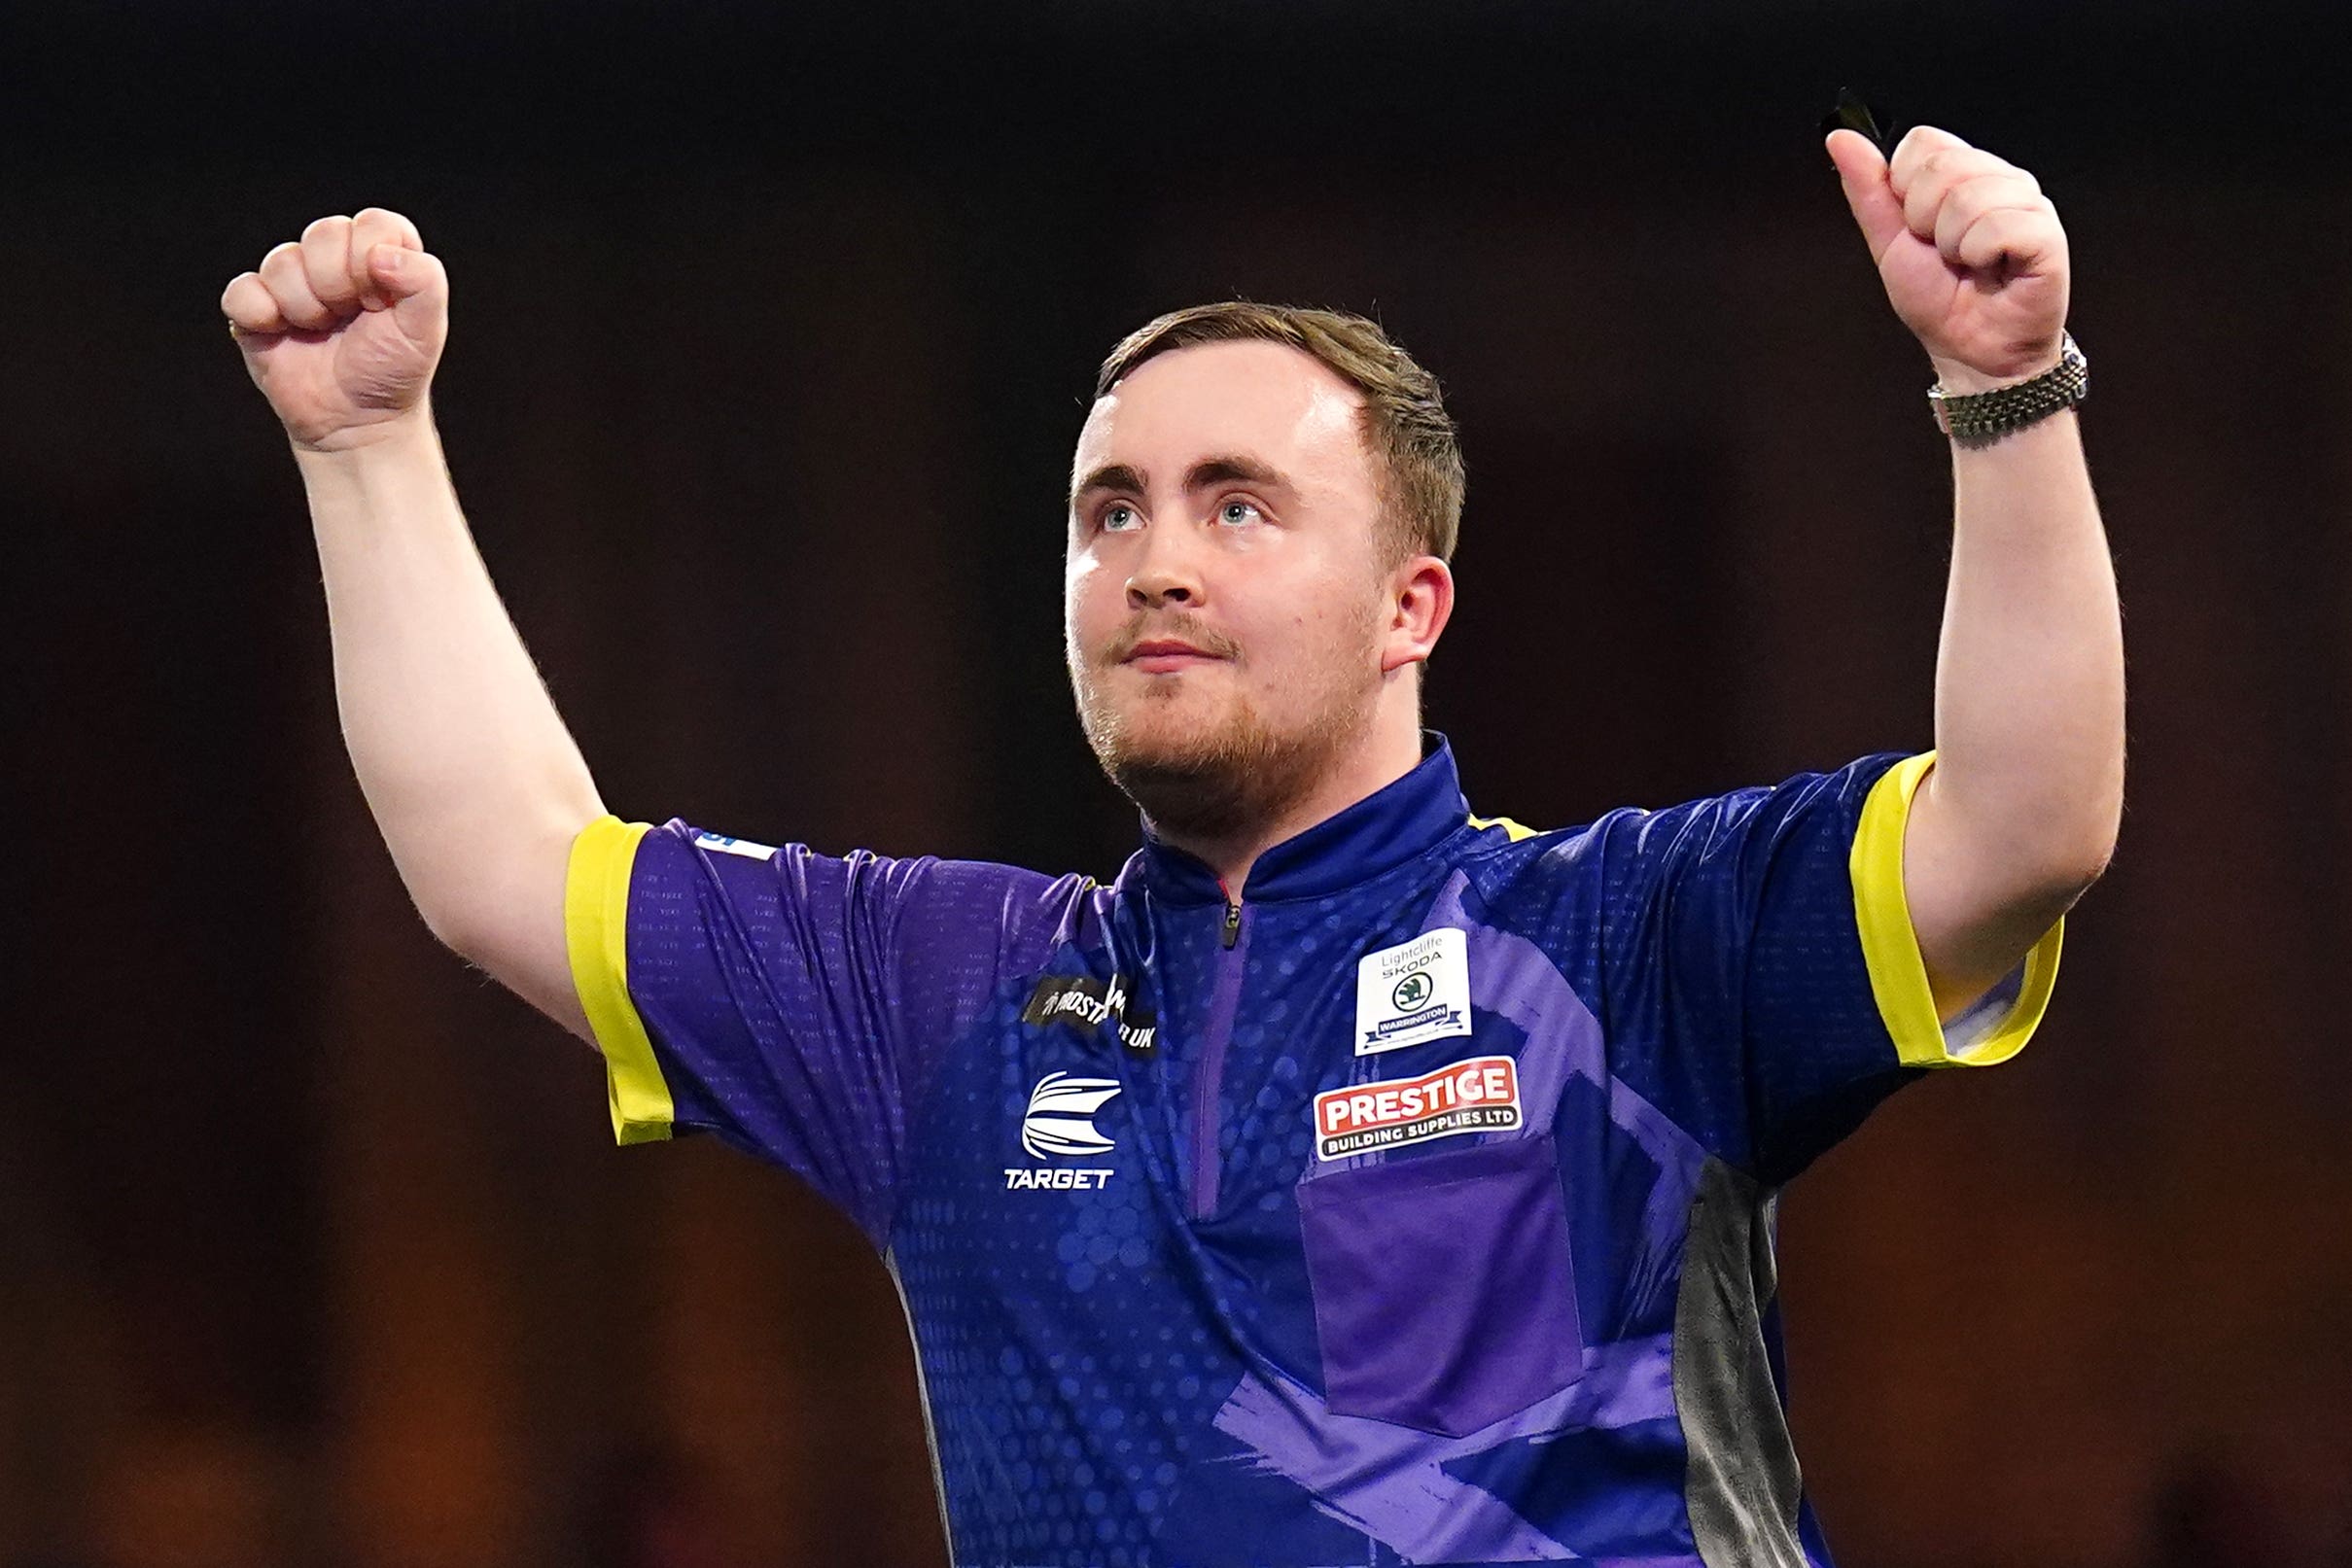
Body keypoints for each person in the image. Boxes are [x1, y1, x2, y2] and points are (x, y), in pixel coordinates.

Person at [221, 121, 2123, 1566]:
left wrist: (2005, 391)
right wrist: (366, 449)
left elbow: (2026, 820)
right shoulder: (940, 999)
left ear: (1412, 606)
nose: (1155, 563)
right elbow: (501, 863)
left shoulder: (1627, 940)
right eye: (1107, 512)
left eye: (1237, 506)